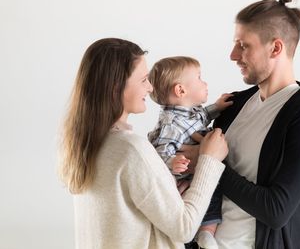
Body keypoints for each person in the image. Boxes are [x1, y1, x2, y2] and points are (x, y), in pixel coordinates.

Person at [182, 0, 300, 249]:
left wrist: (206, 164)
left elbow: (276, 210)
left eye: (243, 45)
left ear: (276, 47)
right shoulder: (233, 106)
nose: (233, 55)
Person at [59, 38, 228, 249]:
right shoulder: (131, 150)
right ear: (115, 88)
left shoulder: (85, 145)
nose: (150, 88)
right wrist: (208, 160)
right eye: (143, 80)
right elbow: (184, 228)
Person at [147, 56, 233, 249]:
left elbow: (202, 117)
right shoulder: (171, 124)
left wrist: (217, 108)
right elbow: (159, 155)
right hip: (183, 177)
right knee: (204, 195)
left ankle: (206, 234)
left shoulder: (188, 112)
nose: (205, 83)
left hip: (197, 170)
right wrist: (173, 162)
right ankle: (202, 233)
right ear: (181, 90)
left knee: (213, 191)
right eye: (200, 78)